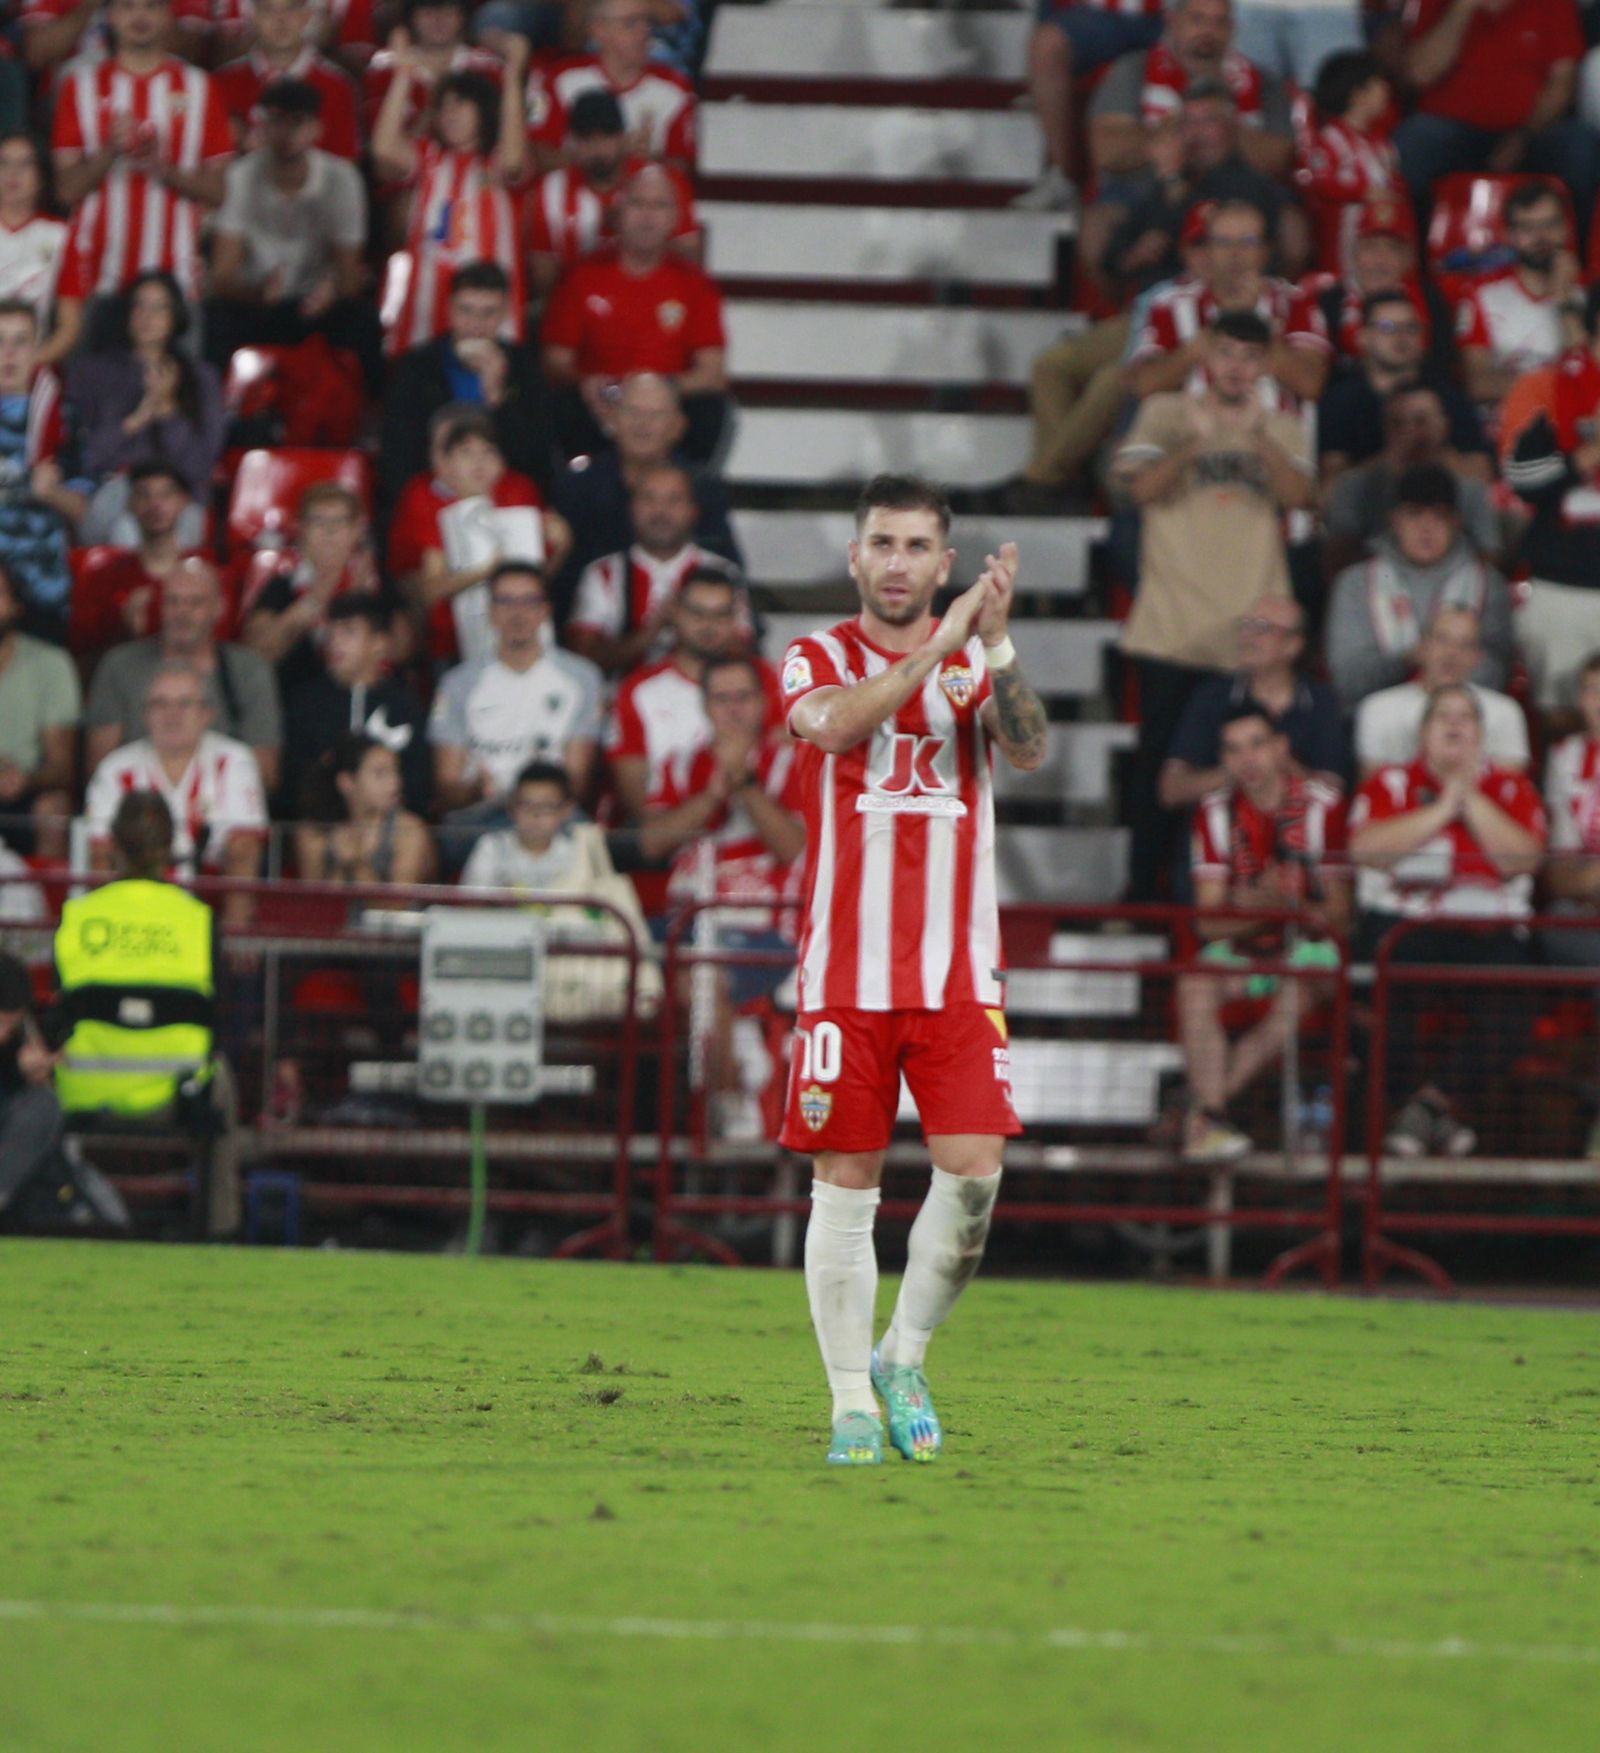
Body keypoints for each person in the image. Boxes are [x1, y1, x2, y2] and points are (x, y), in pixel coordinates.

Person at [777, 472, 1047, 1467]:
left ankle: (903, 1355)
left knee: (974, 1174)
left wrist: (999, 643)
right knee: (843, 1187)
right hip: (843, 973)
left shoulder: (978, 664)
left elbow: (1026, 748)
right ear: (855, 556)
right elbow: (838, 724)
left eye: (916, 547)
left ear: (944, 562)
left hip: (956, 975)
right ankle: (849, 1400)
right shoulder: (812, 655)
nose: (897, 562)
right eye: (881, 543)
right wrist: (942, 644)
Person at [1114, 310, 1315, 900]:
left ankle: (1235, 895)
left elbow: (1299, 496)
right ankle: (1139, 893)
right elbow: (1140, 491)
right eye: (1226, 353)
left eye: (1250, 357)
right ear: (1207, 357)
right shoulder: (1166, 413)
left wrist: (1253, 437)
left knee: (1246, 778)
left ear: (1263, 365)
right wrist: (1195, 442)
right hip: (1173, 630)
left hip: (1249, 641)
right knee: (1157, 773)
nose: (1236, 367)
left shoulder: (1281, 426)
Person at [1349, 683, 1547, 1157]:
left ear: (1481, 733)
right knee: (1371, 999)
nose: (1455, 725)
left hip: (1488, 930)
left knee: (1518, 1009)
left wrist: (1470, 798)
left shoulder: (1510, 786)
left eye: (1466, 718)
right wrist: (1441, 810)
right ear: (1423, 733)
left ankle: (1427, 1109)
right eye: (1443, 717)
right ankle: (1427, 1118)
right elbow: (1364, 850)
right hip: (1407, 924)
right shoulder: (1389, 783)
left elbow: (1523, 859)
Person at [54, 790, 243, 1235]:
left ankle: (39, 1212)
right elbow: (216, 1016)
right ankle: (219, 1230)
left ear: (113, 843)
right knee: (222, 1082)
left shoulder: (79, 915)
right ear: (170, 848)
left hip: (82, 1089)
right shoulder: (196, 918)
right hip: (175, 1096)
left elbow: (61, 1010)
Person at [1179, 701, 1349, 1162]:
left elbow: (1338, 916)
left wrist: (1254, 902)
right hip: (1244, 948)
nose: (1247, 760)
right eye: (1233, 750)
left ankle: (1199, 1116)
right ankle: (1208, 1119)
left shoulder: (1323, 806)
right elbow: (1209, 922)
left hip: (1311, 951)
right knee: (1194, 981)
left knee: (1300, 992)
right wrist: (1276, 903)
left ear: (1280, 747)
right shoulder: (1213, 812)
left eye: (1257, 745)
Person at [542, 163, 729, 463]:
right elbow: (555, 361)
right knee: (562, 403)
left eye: (658, 206)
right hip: (601, 402)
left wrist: (657, 391)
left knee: (710, 407)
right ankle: (582, 484)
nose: (647, 216)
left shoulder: (696, 284)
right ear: (618, 213)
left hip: (667, 404)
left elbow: (712, 372)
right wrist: (588, 383)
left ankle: (683, 489)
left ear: (674, 218)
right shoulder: (581, 276)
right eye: (638, 204)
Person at [1080, 0, 1295, 261]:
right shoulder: (1133, 69)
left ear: (1232, 28)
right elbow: (1107, 151)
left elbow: (1280, 160)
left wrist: (1222, 124)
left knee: (1293, 227)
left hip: (1239, 192)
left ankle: (1273, 300)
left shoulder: (1262, 81)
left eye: (1219, 22)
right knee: (1096, 228)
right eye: (1198, 20)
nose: (1208, 30)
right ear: (1173, 21)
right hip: (1145, 190)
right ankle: (1125, 302)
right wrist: (1175, 130)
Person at [50, 0, 233, 304]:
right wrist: (111, 151)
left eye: (151, 6)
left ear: (166, 15)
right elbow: (67, 191)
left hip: (177, 277)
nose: (140, 16)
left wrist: (162, 167)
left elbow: (218, 192)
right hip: (94, 276)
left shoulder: (201, 87)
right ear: (109, 15)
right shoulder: (80, 87)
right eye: (128, 6)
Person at [204, 80, 378, 390]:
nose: (287, 133)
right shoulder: (241, 176)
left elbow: (349, 273)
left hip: (316, 301)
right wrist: (256, 293)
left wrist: (333, 292)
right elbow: (222, 275)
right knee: (215, 317)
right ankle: (218, 418)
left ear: (316, 130)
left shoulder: (342, 179)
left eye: (297, 123)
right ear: (263, 128)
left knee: (361, 318)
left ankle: (355, 419)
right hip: (256, 300)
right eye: (276, 122)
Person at [458, 759, 660, 1022]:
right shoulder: (492, 848)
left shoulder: (582, 851)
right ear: (511, 808)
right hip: (510, 963)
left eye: (547, 807)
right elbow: (470, 910)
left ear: (567, 811)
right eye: (526, 806)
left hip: (569, 968)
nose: (535, 816)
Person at [372, 34, 530, 355]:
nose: (450, 114)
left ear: (484, 110)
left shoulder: (496, 163)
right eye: (443, 108)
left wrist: (512, 78)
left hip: (490, 309)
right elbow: (384, 149)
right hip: (426, 308)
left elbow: (514, 160)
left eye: (460, 105)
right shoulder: (429, 157)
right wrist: (403, 75)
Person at [84, 662, 269, 928]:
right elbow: (101, 853)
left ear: (207, 713)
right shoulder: (116, 769)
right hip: (134, 913)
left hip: (209, 913)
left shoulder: (234, 761)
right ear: (145, 714)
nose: (172, 714)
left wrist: (236, 932)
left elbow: (245, 849)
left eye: (185, 703)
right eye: (160, 704)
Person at [1393, 0, 1596, 237]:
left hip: (1532, 133)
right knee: (1412, 141)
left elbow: (1562, 81)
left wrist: (1524, 136)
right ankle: (1414, 261)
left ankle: (1579, 262)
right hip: (1452, 132)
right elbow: (1420, 73)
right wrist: (1462, 8)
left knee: (1580, 147)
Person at [378, 261, 556, 531]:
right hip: (433, 500)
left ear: (504, 314)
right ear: (450, 310)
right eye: (466, 311)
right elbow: (398, 457)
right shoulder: (415, 369)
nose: (476, 325)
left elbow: (537, 460)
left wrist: (498, 398)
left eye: (488, 313)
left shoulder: (525, 368)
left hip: (504, 502)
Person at [387, 405, 569, 666]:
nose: (478, 463)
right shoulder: (422, 495)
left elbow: (540, 578)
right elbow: (428, 590)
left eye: (487, 452)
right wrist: (488, 571)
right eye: (465, 452)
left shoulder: (520, 489)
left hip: (526, 635)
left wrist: (562, 547)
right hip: (453, 640)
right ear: (442, 463)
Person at [1326, 462, 1512, 709]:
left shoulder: (1487, 583)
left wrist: (1435, 666)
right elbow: (1347, 679)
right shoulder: (1356, 583)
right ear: (1395, 520)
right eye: (1414, 515)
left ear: (1456, 522)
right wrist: (1410, 658)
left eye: (1438, 516)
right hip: (1374, 723)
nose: (1426, 528)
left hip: (1464, 721)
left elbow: (1497, 674)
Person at [86, 559, 283, 793]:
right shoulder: (119, 665)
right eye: (173, 601)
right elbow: (100, 769)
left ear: (219, 607)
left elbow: (265, 774)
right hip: (138, 810)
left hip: (220, 808)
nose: (182, 612)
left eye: (195, 602)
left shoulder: (249, 670)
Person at [428, 560, 604, 815]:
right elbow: (448, 787)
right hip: (481, 815)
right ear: (491, 611)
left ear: (546, 610)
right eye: (505, 601)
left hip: (553, 817)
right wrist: (476, 790)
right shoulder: (458, 683)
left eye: (529, 601)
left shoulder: (582, 678)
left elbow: (576, 783)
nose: (518, 613)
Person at [1126, 197, 1331, 410]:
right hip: (1194, 435)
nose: (1235, 253)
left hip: (1271, 434)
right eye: (1223, 242)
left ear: (1265, 252)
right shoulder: (1170, 304)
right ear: (1209, 251)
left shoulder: (1296, 301)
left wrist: (1256, 327)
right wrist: (1194, 349)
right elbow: (1144, 385)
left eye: (1248, 242)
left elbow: (1311, 384)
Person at [1097, 82, 1299, 297]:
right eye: (1189, 122)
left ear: (1232, 127)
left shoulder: (1252, 186)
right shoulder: (1166, 180)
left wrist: (1174, 183)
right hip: (1157, 301)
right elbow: (1112, 261)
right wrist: (1135, 255)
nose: (1197, 133)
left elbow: (1264, 263)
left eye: (1209, 121)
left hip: (1229, 303)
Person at [1499, 282, 1600, 711]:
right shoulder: (1543, 385)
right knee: (1558, 717)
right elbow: (1522, 476)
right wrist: (1589, 455)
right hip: (1561, 587)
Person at [549, 369, 739, 592]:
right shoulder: (576, 486)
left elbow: (726, 569)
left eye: (655, 414)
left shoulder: (702, 488)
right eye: (633, 412)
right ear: (612, 418)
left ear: (678, 426)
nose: (643, 424)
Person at [67, 270, 224, 538]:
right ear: (127, 313)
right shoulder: (92, 371)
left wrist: (166, 410)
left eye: (159, 307)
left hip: (177, 493)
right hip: (116, 489)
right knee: (126, 532)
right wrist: (138, 417)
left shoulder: (201, 378)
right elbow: (86, 458)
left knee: (182, 526)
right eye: (139, 305)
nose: (147, 316)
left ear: (175, 316)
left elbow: (200, 465)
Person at [1160, 593, 1348, 818]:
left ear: (1292, 645)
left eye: (1261, 628)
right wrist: (1235, 771)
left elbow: (1335, 793)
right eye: (1245, 625)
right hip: (1221, 842)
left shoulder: (1322, 701)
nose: (1247, 636)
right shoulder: (1212, 695)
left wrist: (1280, 765)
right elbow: (1170, 789)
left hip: (1298, 842)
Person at [606, 565, 769, 818]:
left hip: (762, 840)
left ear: (735, 618)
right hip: (669, 842)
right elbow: (637, 804)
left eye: (720, 615)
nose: (708, 625)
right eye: (697, 613)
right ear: (676, 613)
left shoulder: (765, 680)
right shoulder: (638, 691)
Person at [566, 463, 739, 676]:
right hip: (618, 704)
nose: (660, 511)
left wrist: (691, 625)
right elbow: (582, 659)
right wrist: (651, 632)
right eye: (649, 499)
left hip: (706, 704)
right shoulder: (602, 573)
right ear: (631, 508)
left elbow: (742, 650)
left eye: (673, 500)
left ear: (693, 511)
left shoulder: (723, 571)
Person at [528, 88, 698, 295]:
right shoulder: (550, 191)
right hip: (578, 304)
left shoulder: (664, 182)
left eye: (607, 136)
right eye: (587, 138)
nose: (598, 149)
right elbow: (543, 276)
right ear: (572, 143)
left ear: (623, 137)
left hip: (654, 299)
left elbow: (689, 255)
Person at [1317, 289, 1490, 490]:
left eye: (1410, 327)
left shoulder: (1448, 397)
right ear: (1362, 337)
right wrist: (1396, 453)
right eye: (1387, 327)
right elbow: (1329, 489)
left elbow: (1482, 475)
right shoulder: (1341, 402)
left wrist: (1434, 448)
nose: (1401, 336)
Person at [1322, 383, 1500, 578]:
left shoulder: (1470, 489)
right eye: (1397, 423)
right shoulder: (1355, 485)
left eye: (1420, 421)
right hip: (1376, 593)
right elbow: (1337, 563)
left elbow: (1488, 560)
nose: (1409, 431)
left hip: (1453, 591)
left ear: (1444, 426)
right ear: (1385, 428)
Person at [282, 593, 432, 819]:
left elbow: (418, 783)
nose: (334, 642)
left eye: (348, 631)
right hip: (324, 825)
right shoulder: (306, 702)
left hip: (391, 827)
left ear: (379, 643)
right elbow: (293, 781)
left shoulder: (404, 704)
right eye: (330, 633)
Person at [1017, 0, 1165, 214]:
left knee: (1204, 25)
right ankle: (1063, 176)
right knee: (1047, 45)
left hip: (1168, 14)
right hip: (1098, 15)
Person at [239, 482, 383, 700]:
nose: (329, 531)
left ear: (356, 531)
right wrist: (310, 603)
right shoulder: (282, 586)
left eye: (340, 521)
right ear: (302, 530)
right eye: (318, 521)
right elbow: (256, 655)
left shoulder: (375, 586)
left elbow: (399, 650)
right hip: (294, 703)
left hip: (366, 699)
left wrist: (360, 604)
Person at [1454, 181, 1586, 412]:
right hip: (1506, 423)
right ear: (1509, 235)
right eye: (1527, 228)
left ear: (1566, 228)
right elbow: (1479, 382)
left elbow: (1591, 377)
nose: (1541, 237)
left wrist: (1565, 301)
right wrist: (1560, 387)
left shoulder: (1589, 292)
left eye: (1550, 224)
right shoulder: (1483, 294)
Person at [1354, 606, 1527, 778]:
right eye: (1443, 640)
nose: (1452, 653)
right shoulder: (1378, 709)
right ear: (1422, 647)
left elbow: (1509, 791)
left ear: (1477, 657)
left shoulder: (1505, 712)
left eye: (1465, 645)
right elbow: (1375, 791)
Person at [0, 298, 88, 631]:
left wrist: (51, 493)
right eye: (0, 341)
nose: (9, 353)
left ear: (38, 348)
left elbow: (84, 511)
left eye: (21, 341)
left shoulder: (62, 416)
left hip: (42, 583)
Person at [528, 0, 698, 171]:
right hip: (571, 195)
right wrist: (613, 158)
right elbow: (540, 154)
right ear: (599, 30)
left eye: (648, 21)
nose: (644, 32)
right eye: (631, 23)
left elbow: (682, 168)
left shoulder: (676, 88)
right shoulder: (562, 78)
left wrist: (647, 162)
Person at [67, 462, 203, 658]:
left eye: (166, 495)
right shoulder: (102, 577)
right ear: (130, 504)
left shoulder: (204, 578)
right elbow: (82, 656)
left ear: (184, 502)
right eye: (144, 495)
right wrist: (122, 630)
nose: (155, 505)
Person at [1299, 49, 1404, 278]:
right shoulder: (1331, 139)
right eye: (1380, 85)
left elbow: (1393, 185)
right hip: (1341, 244)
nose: (1387, 93)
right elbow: (1321, 183)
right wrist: (1362, 193)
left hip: (1380, 233)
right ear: (1358, 94)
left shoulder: (1382, 144)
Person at [214, 0, 363, 160]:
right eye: (267, 9)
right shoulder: (221, 84)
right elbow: (210, 166)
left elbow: (347, 171)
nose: (281, 19)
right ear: (252, 17)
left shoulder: (339, 86)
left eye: (292, 8)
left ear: (308, 15)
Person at [0, 558, 79, 861]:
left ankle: (49, 907)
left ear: (17, 605)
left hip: (24, 790)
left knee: (53, 809)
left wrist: (24, 779)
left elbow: (61, 767)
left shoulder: (50, 664)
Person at [293, 731, 437, 886]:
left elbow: (398, 904)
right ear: (347, 782)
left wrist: (357, 864)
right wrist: (339, 868)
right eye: (380, 773)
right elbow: (315, 903)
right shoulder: (313, 832)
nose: (395, 783)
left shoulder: (410, 829)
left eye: (395, 771)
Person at [0, 132, 85, 368]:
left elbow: (70, 326)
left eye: (25, 164)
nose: (12, 173)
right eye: (3, 162)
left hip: (34, 365)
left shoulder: (59, 235)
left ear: (41, 177)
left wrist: (29, 364)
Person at [0, 952, 69, 1228]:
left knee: (43, 1103)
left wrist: (30, 1072)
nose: (3, 1033)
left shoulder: (19, 1037)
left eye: (10, 1024)